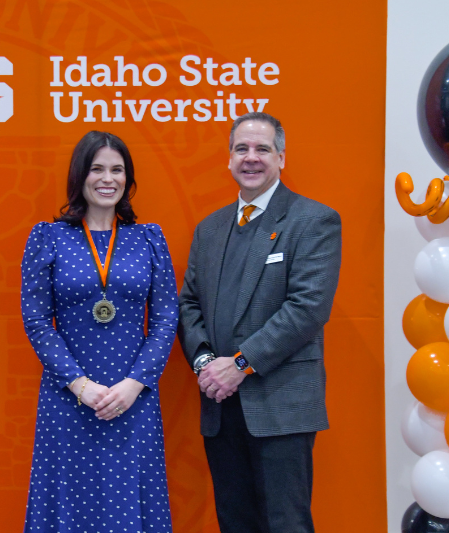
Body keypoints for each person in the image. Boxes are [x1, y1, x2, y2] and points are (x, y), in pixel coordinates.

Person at [178, 112, 342, 533]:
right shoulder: (209, 229)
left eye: (262, 149)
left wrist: (239, 365)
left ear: (282, 158)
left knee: (285, 524)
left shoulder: (313, 221)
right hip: (220, 405)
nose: (251, 158)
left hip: (280, 407)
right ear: (228, 159)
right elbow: (189, 304)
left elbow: (307, 308)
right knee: (234, 523)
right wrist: (205, 365)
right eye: (241, 149)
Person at [21, 131, 178, 533]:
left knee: (129, 502)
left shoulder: (149, 239)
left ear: (127, 178)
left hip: (134, 399)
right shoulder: (48, 237)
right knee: (70, 502)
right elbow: (37, 321)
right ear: (80, 176)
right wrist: (78, 385)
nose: (107, 179)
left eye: (117, 170)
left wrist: (136, 383)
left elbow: (164, 319)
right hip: (68, 400)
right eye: (97, 169)